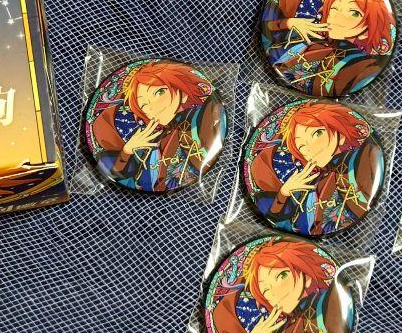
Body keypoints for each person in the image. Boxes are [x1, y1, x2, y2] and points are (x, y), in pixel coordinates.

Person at [210, 238, 349, 333]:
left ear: (307, 277)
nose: (274, 292)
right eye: (265, 290)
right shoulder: (276, 332)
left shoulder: (325, 303)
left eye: (281, 276)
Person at [248, 101, 382, 234]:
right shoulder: (315, 180)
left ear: (340, 134)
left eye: (317, 133)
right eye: (301, 146)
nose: (309, 148)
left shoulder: (365, 154)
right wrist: (284, 192)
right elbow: (276, 217)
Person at [88, 61, 223, 191]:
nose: (151, 107)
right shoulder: (153, 137)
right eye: (143, 104)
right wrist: (127, 150)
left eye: (159, 92)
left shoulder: (203, 114)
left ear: (183, 94)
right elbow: (114, 173)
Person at [263, 0, 395, 95]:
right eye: (334, 8)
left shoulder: (366, 68)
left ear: (370, 25)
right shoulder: (316, 46)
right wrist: (289, 23)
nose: (336, 17)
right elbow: (269, 36)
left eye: (354, 13)